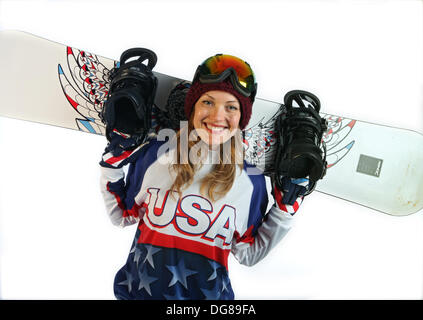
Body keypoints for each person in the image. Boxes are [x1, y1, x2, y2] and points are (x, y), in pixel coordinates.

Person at [99, 54, 306, 300]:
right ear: (193, 107)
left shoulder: (251, 179)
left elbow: (248, 253)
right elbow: (121, 215)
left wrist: (285, 209)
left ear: (242, 118)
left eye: (231, 107)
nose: (218, 116)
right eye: (208, 102)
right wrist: (112, 163)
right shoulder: (156, 154)